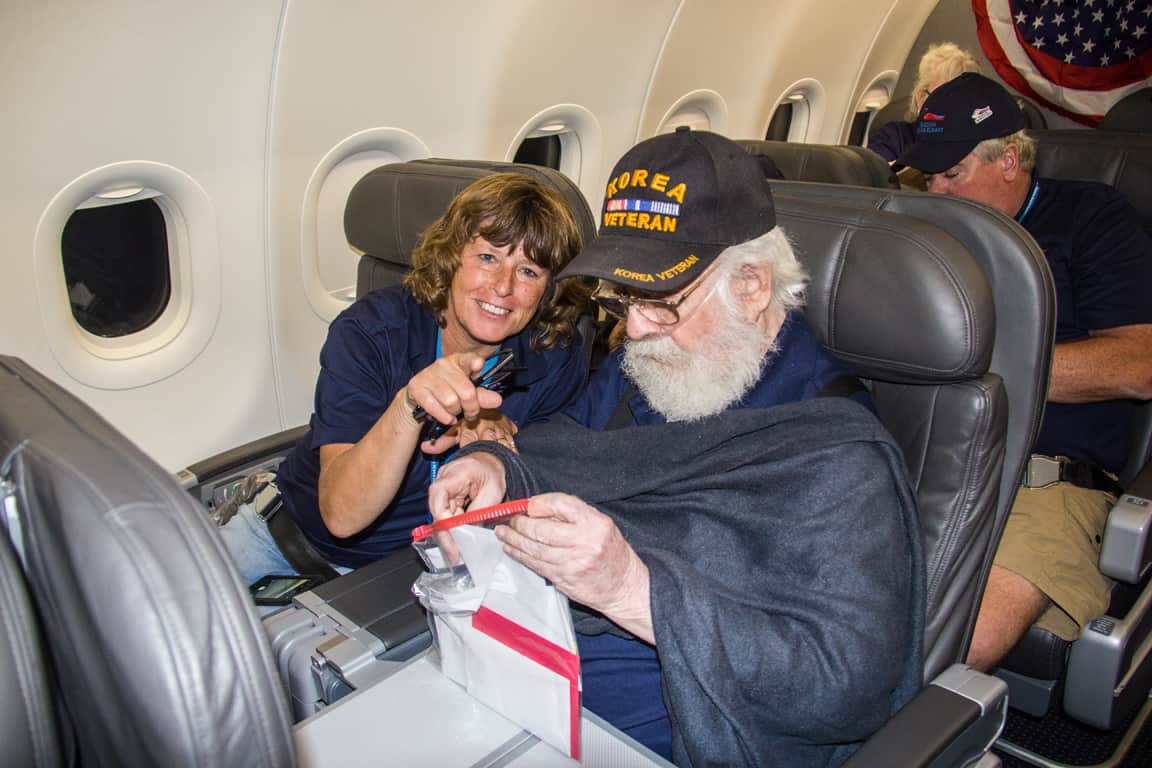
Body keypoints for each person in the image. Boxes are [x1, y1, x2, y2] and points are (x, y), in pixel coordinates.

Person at [428, 129, 924, 766]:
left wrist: (632, 591)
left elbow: (843, 688)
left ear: (752, 287)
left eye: (661, 303)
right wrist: (497, 467)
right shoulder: (651, 361)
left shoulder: (835, 450)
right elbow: (573, 444)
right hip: (531, 670)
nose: (635, 329)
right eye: (623, 297)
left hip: (663, 735)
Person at [219, 172, 591, 585]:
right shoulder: (371, 332)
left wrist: (497, 446)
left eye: (528, 272)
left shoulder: (554, 355)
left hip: (414, 570)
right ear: (452, 257)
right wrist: (410, 406)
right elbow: (341, 515)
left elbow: (551, 480)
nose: (503, 287)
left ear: (548, 290)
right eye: (488, 258)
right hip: (285, 541)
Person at [896, 73, 1152, 671]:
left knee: (943, 649)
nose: (936, 192)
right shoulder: (927, 234)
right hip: (918, 462)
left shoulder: (1091, 218)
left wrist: (972, 368)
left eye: (951, 174)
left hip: (1043, 482)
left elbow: (1138, 365)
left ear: (1008, 159)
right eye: (928, 177)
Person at [868, 42, 982, 164]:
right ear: (921, 99)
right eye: (944, 98)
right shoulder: (893, 138)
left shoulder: (982, 142)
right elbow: (875, 171)